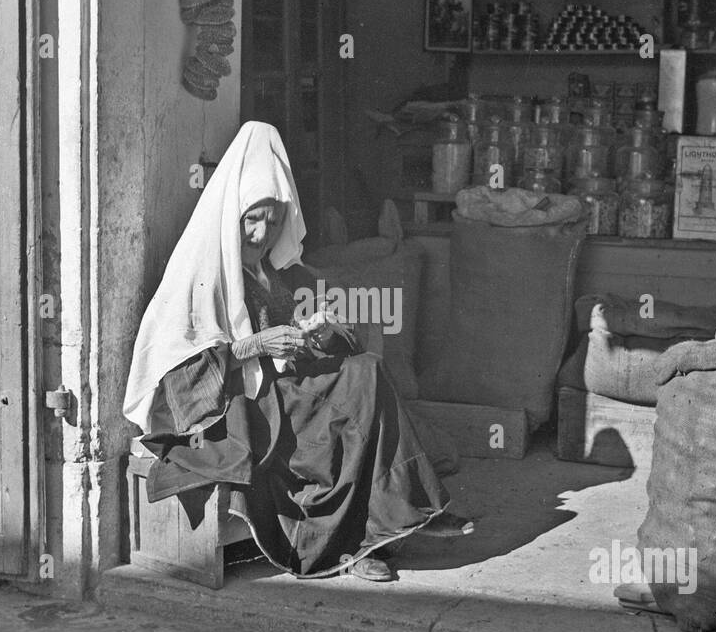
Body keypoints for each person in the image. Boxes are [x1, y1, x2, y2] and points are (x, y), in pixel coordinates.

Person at [123, 121, 472, 582]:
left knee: (365, 374)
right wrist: (255, 344)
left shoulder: (274, 271)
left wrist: (318, 328)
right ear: (232, 213)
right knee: (364, 382)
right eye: (253, 217)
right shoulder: (197, 275)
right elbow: (180, 379)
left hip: (282, 389)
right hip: (240, 410)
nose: (262, 232)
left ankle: (389, 525)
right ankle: (373, 533)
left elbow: (292, 339)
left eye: (272, 219)